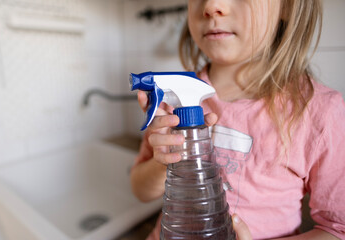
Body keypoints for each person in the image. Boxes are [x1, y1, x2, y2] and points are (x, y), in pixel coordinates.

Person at [130, 0, 345, 239]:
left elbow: (336, 229)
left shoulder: (321, 113)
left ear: (287, 6)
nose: (212, 6)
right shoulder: (175, 96)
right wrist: (165, 163)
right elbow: (141, 191)